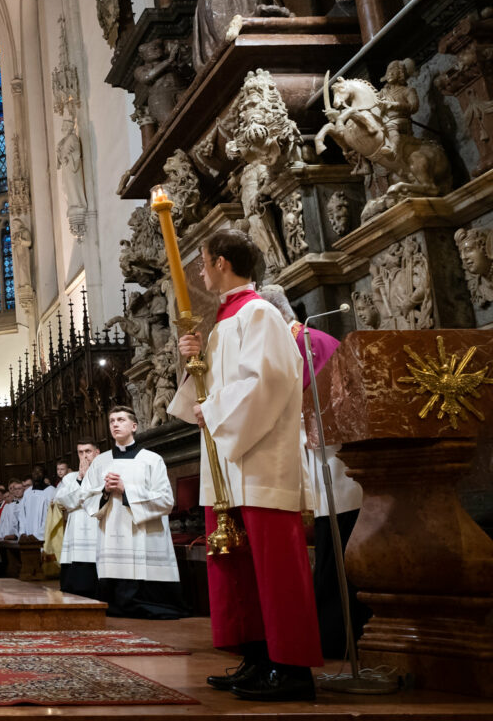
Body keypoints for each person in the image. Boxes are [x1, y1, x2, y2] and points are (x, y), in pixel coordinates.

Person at [169, 229, 321, 702]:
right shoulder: (222, 323)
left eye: (203, 262)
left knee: (275, 568)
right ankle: (257, 658)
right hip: (228, 466)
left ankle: (292, 669)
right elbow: (212, 388)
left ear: (221, 262)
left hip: (258, 462)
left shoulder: (259, 313)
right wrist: (195, 361)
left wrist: (212, 409)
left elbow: (270, 380)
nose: (198, 271)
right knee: (239, 567)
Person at [259, 284, 367, 660]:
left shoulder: (309, 340)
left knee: (339, 540)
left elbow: (330, 397)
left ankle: (342, 633)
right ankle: (333, 632)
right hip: (319, 455)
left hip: (337, 457)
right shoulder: (296, 341)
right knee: (329, 539)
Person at [78, 406, 185, 618]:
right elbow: (85, 497)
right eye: (111, 421)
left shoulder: (152, 460)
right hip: (112, 530)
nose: (115, 424)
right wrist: (105, 492)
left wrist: (127, 490)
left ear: (134, 426)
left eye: (120, 420)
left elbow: (165, 500)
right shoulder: (100, 462)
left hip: (144, 534)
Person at [55, 438, 102, 598]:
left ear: (97, 453)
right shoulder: (70, 478)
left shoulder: (106, 474)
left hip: (97, 526)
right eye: (80, 452)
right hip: (77, 530)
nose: (84, 456)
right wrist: (81, 478)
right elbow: (63, 501)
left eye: (88, 451)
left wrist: (81, 497)